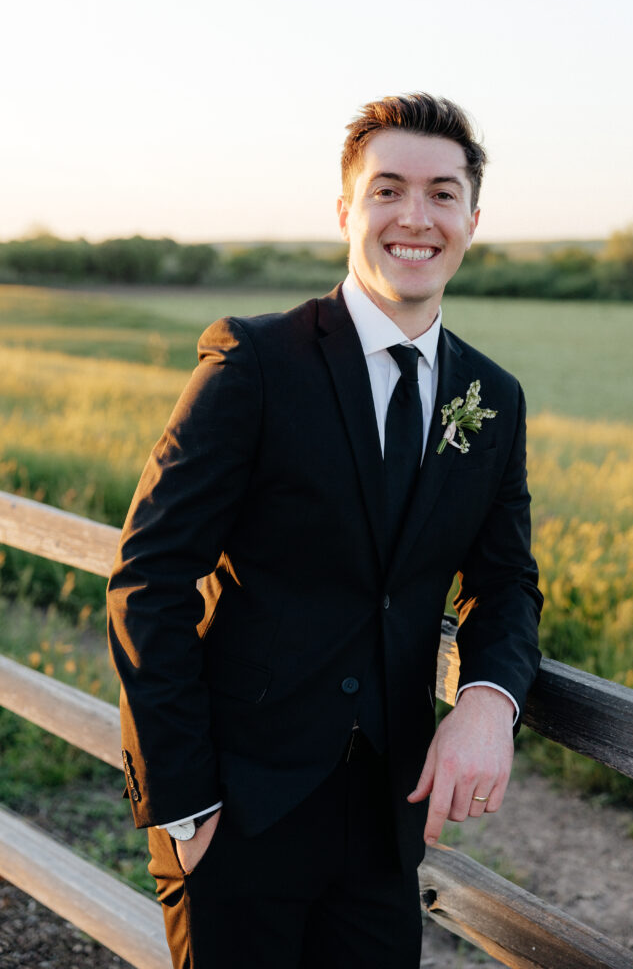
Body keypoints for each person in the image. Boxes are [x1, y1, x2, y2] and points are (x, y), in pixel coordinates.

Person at [107, 92, 543, 969]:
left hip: (385, 819)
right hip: (237, 806)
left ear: (472, 219)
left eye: (441, 193)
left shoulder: (490, 399)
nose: (413, 217)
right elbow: (147, 576)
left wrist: (488, 701)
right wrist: (186, 807)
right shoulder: (254, 361)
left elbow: (505, 583)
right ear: (347, 210)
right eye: (387, 190)